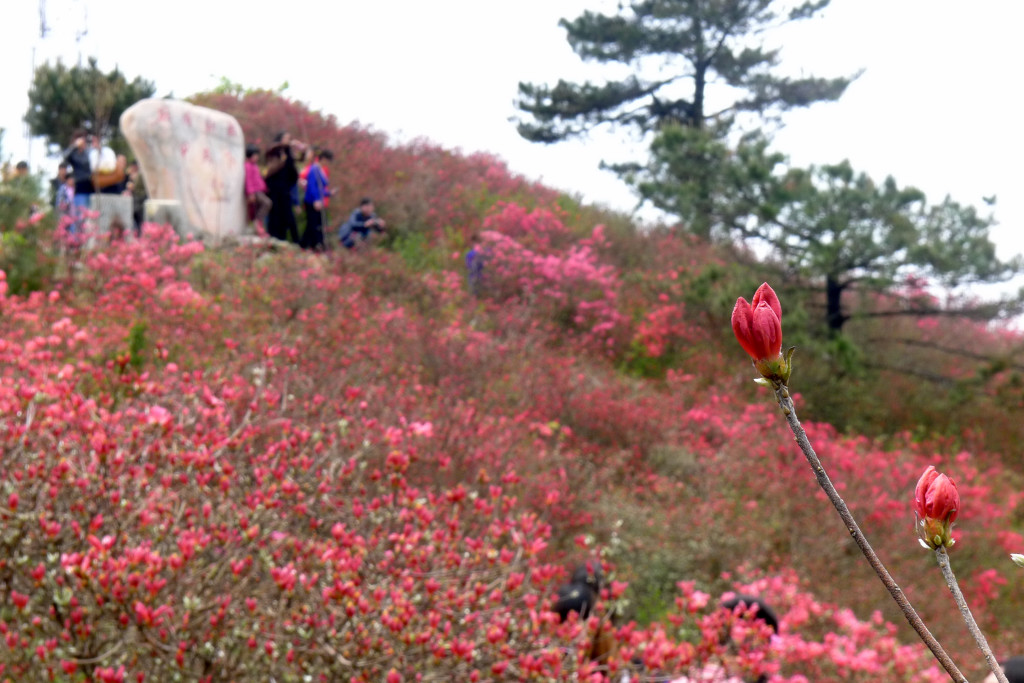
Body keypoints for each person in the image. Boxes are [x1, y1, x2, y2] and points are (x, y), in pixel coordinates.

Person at [263, 137, 301, 243]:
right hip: (276, 193)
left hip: (283, 193)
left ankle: (286, 240)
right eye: (287, 138)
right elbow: (268, 172)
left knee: (285, 219)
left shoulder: (286, 156)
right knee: (278, 218)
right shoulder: (276, 154)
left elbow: (294, 174)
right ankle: (278, 239)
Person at [62, 129, 95, 234]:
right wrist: (74, 147)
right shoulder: (74, 155)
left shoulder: (89, 152)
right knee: (78, 217)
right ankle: (75, 240)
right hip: (80, 188)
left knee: (91, 217)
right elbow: (65, 157)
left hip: (92, 186)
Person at [301, 149, 333, 250]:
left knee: (317, 224)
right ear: (323, 158)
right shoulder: (315, 168)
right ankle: (306, 245)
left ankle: (314, 245)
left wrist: (329, 193)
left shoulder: (320, 169)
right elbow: (311, 186)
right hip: (312, 201)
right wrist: (316, 200)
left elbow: (320, 188)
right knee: (313, 224)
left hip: (319, 200)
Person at [244, 144, 272, 231]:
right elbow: (248, 180)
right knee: (267, 203)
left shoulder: (255, 165)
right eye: (255, 155)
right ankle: (258, 222)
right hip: (254, 191)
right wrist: (250, 193)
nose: (257, 157)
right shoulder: (247, 166)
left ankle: (258, 226)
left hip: (259, 190)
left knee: (258, 208)